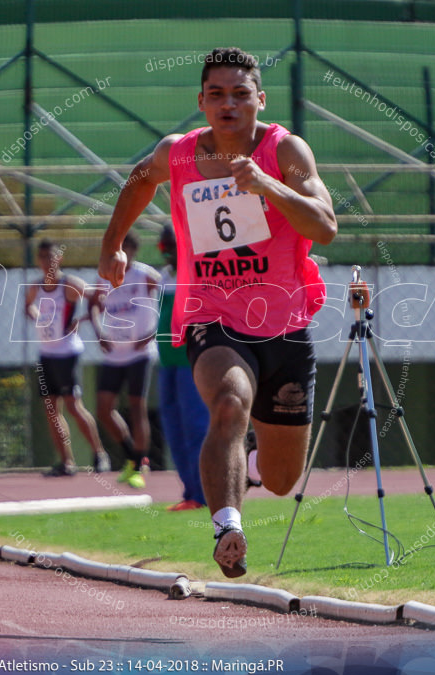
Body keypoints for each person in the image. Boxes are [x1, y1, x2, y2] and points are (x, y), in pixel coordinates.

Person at [98, 47, 337, 576]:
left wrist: (266, 184)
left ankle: (249, 464)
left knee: (279, 479)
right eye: (217, 94)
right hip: (212, 312)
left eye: (240, 93)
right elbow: (140, 179)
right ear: (201, 101)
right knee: (229, 403)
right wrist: (113, 242)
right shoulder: (178, 153)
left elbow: (324, 226)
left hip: (284, 323)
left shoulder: (286, 150)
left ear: (259, 100)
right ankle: (227, 525)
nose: (228, 103)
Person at [24, 239, 110, 476]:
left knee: (73, 406)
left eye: (50, 257)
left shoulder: (69, 285)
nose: (46, 262)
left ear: (58, 259)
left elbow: (99, 299)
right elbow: (28, 306)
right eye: (42, 257)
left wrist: (78, 321)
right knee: (52, 409)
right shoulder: (35, 286)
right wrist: (37, 316)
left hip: (67, 353)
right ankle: (66, 461)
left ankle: (99, 453)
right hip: (46, 354)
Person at [89, 231, 160, 489]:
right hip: (114, 353)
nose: (122, 253)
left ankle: (140, 464)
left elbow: (170, 304)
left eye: (126, 248)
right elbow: (94, 305)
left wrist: (151, 334)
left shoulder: (146, 276)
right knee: (104, 409)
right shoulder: (106, 277)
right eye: (118, 248)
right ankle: (131, 454)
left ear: (133, 250)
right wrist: (99, 332)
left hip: (140, 353)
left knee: (137, 406)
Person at [156, 226, 209, 511]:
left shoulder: (197, 272)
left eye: (172, 246)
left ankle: (204, 494)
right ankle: (190, 492)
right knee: (174, 429)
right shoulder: (165, 277)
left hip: (190, 363)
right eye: (166, 247)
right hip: (167, 364)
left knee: (197, 427)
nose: (167, 253)